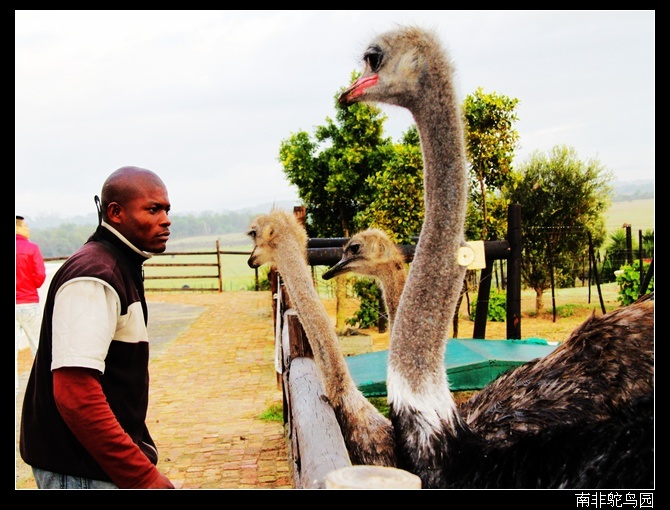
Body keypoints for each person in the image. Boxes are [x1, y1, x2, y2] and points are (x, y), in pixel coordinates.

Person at [20, 166, 175, 489]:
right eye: (152, 209)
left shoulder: (118, 264)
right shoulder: (96, 275)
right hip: (81, 470)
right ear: (115, 213)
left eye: (166, 209)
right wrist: (143, 477)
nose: (166, 219)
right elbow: (76, 392)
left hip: (89, 464)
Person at [15, 215, 46, 390]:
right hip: (28, 302)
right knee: (37, 346)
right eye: (25, 226)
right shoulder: (31, 248)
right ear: (18, 228)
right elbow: (40, 275)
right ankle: (42, 387)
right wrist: (31, 284)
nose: (28, 229)